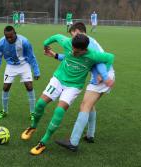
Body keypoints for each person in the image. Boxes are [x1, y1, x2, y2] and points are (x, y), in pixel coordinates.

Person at [21, 33, 115, 155]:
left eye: (77, 52)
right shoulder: (68, 43)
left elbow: (110, 57)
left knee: (59, 111)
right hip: (58, 79)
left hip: (74, 86)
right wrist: (45, 45)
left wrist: (103, 74)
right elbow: (55, 36)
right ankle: (32, 127)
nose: (73, 52)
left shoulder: (93, 55)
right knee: (40, 104)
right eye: (72, 50)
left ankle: (43, 142)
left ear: (84, 49)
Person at [46, 22, 115, 151]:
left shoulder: (90, 44)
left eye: (72, 35)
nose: (72, 40)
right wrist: (55, 55)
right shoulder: (85, 44)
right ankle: (90, 135)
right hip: (99, 77)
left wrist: (104, 76)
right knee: (90, 105)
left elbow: (101, 60)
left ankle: (73, 142)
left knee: (85, 106)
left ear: (78, 32)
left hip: (102, 77)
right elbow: (71, 57)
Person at [0, 26, 40, 119]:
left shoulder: (24, 42)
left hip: (24, 64)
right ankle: (4, 110)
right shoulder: (1, 43)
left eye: (11, 37)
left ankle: (33, 112)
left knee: (29, 86)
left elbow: (32, 56)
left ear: (15, 33)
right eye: (7, 37)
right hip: (11, 66)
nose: (9, 39)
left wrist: (36, 71)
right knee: (5, 87)